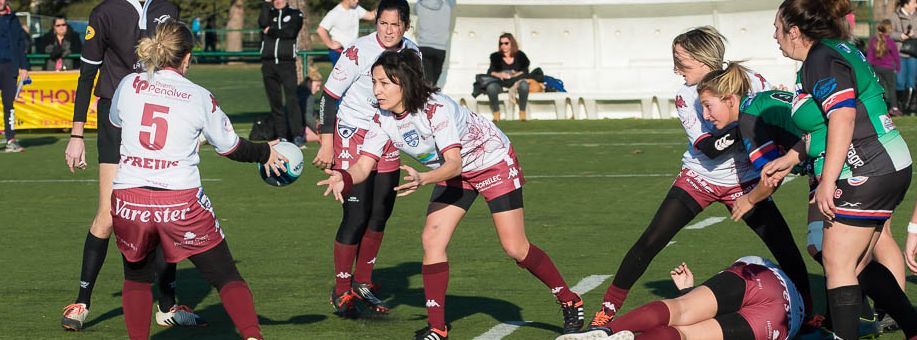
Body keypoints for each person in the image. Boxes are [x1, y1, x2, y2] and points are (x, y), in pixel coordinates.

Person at [318, 49, 584, 340]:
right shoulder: (381, 118)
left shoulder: (435, 108)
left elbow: (453, 163)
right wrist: (344, 177)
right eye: (374, 82)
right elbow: (364, 165)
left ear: (404, 83)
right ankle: (437, 328)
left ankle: (569, 299)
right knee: (432, 238)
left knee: (514, 247)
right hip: (451, 173)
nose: (376, 90)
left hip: (491, 161)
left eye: (384, 83)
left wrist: (423, 178)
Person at [572, 26, 814, 337]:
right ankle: (606, 313)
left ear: (703, 60)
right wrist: (747, 122)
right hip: (700, 177)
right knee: (650, 240)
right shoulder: (686, 95)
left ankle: (810, 313)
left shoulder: (751, 80)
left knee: (785, 247)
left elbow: (778, 114)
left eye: (681, 62)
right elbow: (710, 148)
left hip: (746, 181)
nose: (676, 70)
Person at [696, 63, 917, 339]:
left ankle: (862, 317)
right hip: (855, 155)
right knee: (851, 250)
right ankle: (877, 316)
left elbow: (771, 178)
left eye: (708, 106)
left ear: (730, 99)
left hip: (839, 161)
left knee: (835, 253)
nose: (705, 115)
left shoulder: (749, 117)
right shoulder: (758, 103)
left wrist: (748, 200)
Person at [110, 20, 282, 340]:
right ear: (187, 57)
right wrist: (264, 152)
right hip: (179, 200)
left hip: (129, 198)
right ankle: (252, 336)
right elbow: (231, 148)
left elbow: (117, 120)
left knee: (136, 278)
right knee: (226, 276)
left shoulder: (128, 83)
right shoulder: (199, 96)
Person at [769, 1, 913, 338]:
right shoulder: (831, 51)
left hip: (867, 166)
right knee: (855, 264)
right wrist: (792, 157)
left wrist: (827, 180)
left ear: (794, 30)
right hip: (882, 162)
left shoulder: (820, 57)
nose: (773, 35)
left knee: (837, 263)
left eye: (777, 27)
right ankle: (912, 325)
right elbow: (822, 124)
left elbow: (843, 116)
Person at [61, 0, 205, 331]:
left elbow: (177, 69)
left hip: (160, 115)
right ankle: (82, 301)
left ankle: (167, 305)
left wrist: (192, 123)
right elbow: (87, 75)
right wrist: (76, 134)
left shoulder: (168, 6)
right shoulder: (105, 12)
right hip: (116, 118)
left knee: (163, 213)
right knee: (108, 215)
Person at [314, 0, 418, 317]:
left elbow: (414, 96)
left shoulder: (413, 53)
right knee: (356, 216)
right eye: (383, 23)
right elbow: (329, 97)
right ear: (376, 24)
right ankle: (342, 290)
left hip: (388, 135)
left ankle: (363, 281)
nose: (388, 30)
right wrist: (327, 142)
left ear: (405, 26)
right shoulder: (357, 51)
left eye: (395, 25)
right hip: (352, 135)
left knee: (380, 213)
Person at [562, 256, 804, 340]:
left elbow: (706, 308)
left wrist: (688, 292)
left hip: (759, 272)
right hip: (781, 322)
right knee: (688, 335)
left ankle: (606, 332)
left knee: (681, 309)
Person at [258, 0, 305, 147]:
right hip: (269, 64)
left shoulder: (295, 14)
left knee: (292, 100)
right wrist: (266, 4)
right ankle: (282, 136)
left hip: (287, 64)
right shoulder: (269, 13)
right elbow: (262, 22)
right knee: (275, 103)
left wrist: (270, 31)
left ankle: (297, 135)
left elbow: (290, 32)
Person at [0, 0, 29, 153]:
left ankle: (11, 139)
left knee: (9, 104)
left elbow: (20, 44)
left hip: (9, 66)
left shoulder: (13, 19)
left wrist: (24, 66)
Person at [486, 33, 530, 121]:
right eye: (501, 43)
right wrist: (500, 74)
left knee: (524, 85)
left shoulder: (520, 55)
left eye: (506, 43)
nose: (503, 46)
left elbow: (525, 71)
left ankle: (522, 112)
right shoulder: (495, 56)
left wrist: (515, 74)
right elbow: (490, 72)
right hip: (501, 82)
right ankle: (496, 114)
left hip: (516, 81)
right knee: (491, 87)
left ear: (511, 43)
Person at [317, 0, 375, 66]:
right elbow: (321, 30)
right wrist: (331, 45)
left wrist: (385, 5)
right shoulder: (335, 12)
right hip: (339, 52)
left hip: (353, 51)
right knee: (341, 76)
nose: (357, 1)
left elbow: (371, 15)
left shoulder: (356, 8)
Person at [415, 0, 455, 86]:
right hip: (440, 48)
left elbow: (415, 11)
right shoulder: (447, 4)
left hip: (424, 46)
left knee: (427, 81)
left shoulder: (419, 4)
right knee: (433, 83)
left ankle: (426, 97)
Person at [868, 20, 902, 116]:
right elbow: (896, 56)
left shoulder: (873, 40)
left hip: (876, 68)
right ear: (889, 29)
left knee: (880, 88)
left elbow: (869, 57)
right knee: (891, 88)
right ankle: (894, 108)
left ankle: (881, 108)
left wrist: (869, 69)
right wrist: (898, 68)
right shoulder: (890, 42)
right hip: (888, 69)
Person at [892, 0, 917, 114]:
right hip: (899, 53)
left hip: (913, 53)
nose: (916, 5)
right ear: (906, 4)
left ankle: (909, 108)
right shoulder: (895, 16)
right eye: (914, 2)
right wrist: (900, 36)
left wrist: (913, 34)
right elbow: (889, 32)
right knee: (900, 82)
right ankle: (900, 106)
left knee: (911, 81)